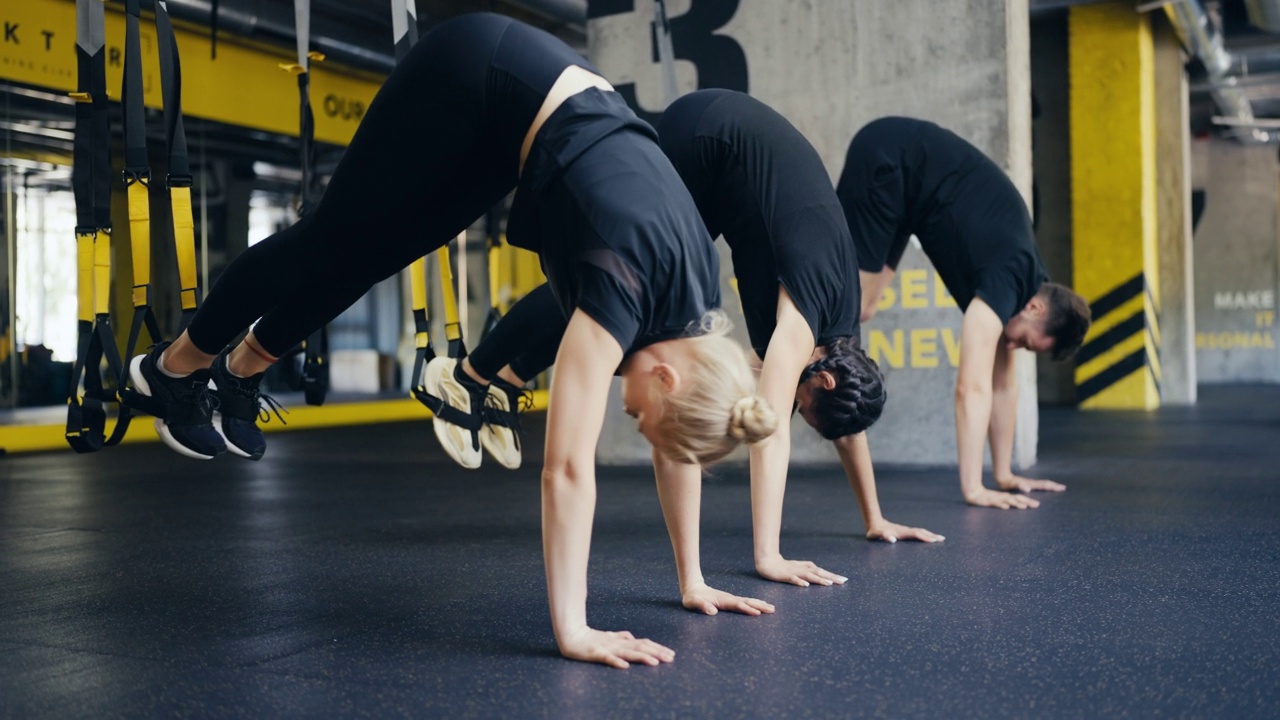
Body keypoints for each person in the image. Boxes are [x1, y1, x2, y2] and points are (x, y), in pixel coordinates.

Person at [122, 13, 778, 669]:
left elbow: (682, 443)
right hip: (480, 69)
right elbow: (566, 470)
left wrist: (692, 579)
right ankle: (175, 368)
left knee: (376, 255)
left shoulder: (696, 320)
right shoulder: (623, 289)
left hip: (523, 122)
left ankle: (243, 371)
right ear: (665, 378)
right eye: (638, 415)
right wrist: (573, 629)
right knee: (332, 237)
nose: (630, 415)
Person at [431, 90, 944, 593]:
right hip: (709, 135)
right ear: (825, 376)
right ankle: (472, 377)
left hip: (733, 169)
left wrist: (875, 517)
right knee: (623, 284)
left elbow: (847, 427)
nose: (788, 406)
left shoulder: (842, 344)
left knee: (653, 332)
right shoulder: (806, 323)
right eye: (801, 405)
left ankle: (507, 378)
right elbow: (771, 436)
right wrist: (769, 555)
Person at [832, 116, 1091, 510]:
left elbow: (1004, 385)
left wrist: (1003, 475)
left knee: (864, 308)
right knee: (843, 310)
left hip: (910, 196)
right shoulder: (1007, 280)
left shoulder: (1022, 286)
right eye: (1023, 340)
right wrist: (974, 487)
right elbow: (971, 387)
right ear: (1035, 307)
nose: (1013, 344)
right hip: (887, 158)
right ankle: (769, 364)